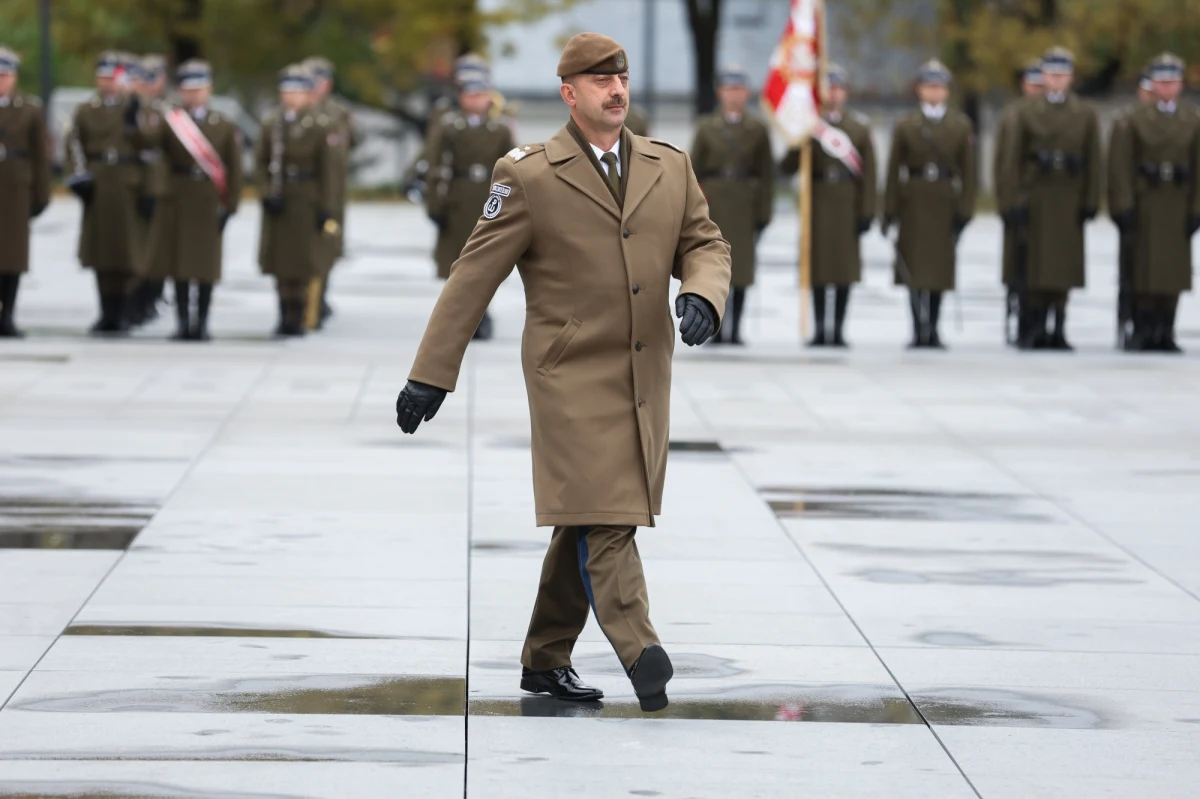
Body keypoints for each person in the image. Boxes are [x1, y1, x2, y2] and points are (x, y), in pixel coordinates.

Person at [395, 33, 730, 712]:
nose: (616, 89)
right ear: (569, 93)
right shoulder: (529, 174)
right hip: (568, 375)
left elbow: (705, 242)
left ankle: (546, 659)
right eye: (599, 79)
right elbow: (472, 276)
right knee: (609, 517)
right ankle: (642, 651)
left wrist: (703, 292)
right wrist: (432, 373)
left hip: (643, 375)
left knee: (586, 514)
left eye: (622, 77)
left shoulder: (668, 164)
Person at [997, 46, 1101, 351]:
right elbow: (1012, 160)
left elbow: (1094, 160)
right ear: (1045, 77)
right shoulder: (1025, 112)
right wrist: (1012, 198)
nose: (1057, 81)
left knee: (1063, 267)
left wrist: (1091, 200)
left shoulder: (1085, 113)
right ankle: (1035, 327)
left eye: (1063, 75)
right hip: (1037, 194)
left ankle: (1059, 326)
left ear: (1070, 78)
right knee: (1035, 266)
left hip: (1068, 193)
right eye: (1052, 75)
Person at [1107, 53, 1200, 353]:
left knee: (1173, 272)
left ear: (1180, 85)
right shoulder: (1133, 120)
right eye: (1161, 82)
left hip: (1176, 200)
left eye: (1172, 81)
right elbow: (1121, 167)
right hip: (1146, 200)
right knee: (1144, 270)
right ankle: (1144, 330)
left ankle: (1166, 330)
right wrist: (1123, 205)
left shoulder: (1191, 120)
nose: (1167, 87)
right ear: (1152, 85)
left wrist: (1196, 209)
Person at [882, 59, 975, 349]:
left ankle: (933, 327)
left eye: (939, 87)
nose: (934, 92)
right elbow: (894, 170)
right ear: (920, 90)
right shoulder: (906, 125)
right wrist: (889, 211)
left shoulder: (960, 126)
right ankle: (917, 328)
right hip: (914, 202)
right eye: (929, 86)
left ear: (946, 91)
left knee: (939, 269)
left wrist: (965, 210)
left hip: (944, 201)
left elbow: (969, 173)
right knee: (914, 266)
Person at [148, 60, 243, 342]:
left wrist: (231, 205)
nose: (194, 95)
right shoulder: (171, 121)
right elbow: (153, 148)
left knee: (205, 264)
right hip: (178, 195)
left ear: (209, 89)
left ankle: (201, 322)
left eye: (199, 89)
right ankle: (181, 323)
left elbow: (234, 168)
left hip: (207, 197)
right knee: (178, 263)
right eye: (189, 90)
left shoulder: (223, 124)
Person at [783, 64, 876, 347]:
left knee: (844, 269)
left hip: (847, 202)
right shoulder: (812, 127)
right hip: (818, 202)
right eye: (829, 89)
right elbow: (786, 166)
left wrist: (867, 211)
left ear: (845, 93)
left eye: (838, 89)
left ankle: (838, 330)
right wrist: (800, 137)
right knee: (819, 268)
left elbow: (869, 174)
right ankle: (821, 328)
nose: (834, 94)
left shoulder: (858, 128)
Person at [65, 51, 155, 335]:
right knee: (102, 252)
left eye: (115, 77)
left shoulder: (140, 108)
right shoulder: (86, 109)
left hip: (130, 182)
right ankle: (106, 312)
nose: (109, 83)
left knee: (128, 252)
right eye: (104, 77)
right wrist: (78, 177)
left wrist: (151, 189)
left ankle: (125, 312)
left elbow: (151, 150)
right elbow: (74, 143)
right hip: (99, 182)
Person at [424, 68, 515, 340]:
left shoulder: (499, 129)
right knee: (458, 261)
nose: (478, 100)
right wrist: (434, 204)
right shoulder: (450, 127)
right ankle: (462, 316)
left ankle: (482, 314)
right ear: (462, 98)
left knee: (486, 263)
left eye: (482, 95)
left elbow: (511, 167)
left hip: (489, 197)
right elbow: (435, 164)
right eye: (472, 95)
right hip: (458, 197)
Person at [690, 65, 773, 345]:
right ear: (720, 92)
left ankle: (735, 329)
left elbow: (766, 175)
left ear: (747, 93)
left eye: (738, 89)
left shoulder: (758, 129)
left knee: (740, 268)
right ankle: (716, 329)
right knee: (714, 268)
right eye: (729, 89)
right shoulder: (707, 127)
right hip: (713, 205)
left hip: (743, 204)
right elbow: (693, 171)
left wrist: (763, 213)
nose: (733, 95)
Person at [255, 64, 336, 337]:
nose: (291, 97)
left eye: (297, 91)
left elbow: (327, 171)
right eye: (287, 90)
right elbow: (260, 162)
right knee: (279, 260)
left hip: (306, 197)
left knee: (301, 260)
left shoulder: (318, 125)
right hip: (280, 195)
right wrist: (266, 193)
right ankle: (282, 314)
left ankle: (298, 315)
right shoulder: (272, 123)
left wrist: (326, 207)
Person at [304, 56, 359, 329]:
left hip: (334, 188)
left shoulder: (339, 112)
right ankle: (302, 301)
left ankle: (319, 296)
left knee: (328, 244)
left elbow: (354, 141)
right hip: (306, 189)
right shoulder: (298, 110)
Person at [0, 46, 51, 338]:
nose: (1, 80)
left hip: (15, 187)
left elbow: (40, 157)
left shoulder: (29, 109)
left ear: (14, 77)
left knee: (13, 256)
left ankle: (8, 315)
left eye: (5, 75)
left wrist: (40, 195)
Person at [995, 60, 1043, 346]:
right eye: (1032, 83)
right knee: (1018, 266)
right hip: (1019, 201)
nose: (1036, 89)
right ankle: (1021, 319)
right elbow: (1004, 164)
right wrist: (1007, 201)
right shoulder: (1012, 116)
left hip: (1043, 202)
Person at [128, 54, 169, 326]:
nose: (145, 85)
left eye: (150, 79)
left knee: (158, 248)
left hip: (161, 188)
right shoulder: (129, 108)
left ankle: (151, 296)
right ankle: (133, 300)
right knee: (135, 246)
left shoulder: (168, 110)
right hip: (132, 186)